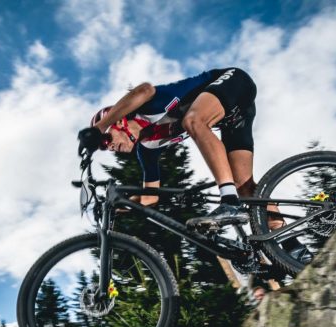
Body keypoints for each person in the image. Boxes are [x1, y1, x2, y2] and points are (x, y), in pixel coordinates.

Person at [78, 67, 258, 231]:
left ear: (118, 121)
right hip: (234, 117)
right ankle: (272, 241)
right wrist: (118, 205)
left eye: (106, 139)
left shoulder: (147, 107)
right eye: (104, 147)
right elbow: (150, 197)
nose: (109, 147)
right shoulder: (147, 149)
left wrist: (98, 129)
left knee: (193, 121)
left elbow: (145, 89)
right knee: (244, 187)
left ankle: (229, 203)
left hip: (234, 82)